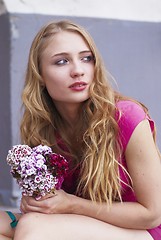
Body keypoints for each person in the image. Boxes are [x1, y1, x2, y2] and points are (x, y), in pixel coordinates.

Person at [0, 19, 161, 240]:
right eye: (61, 62)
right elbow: (54, 203)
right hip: (84, 222)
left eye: (86, 58)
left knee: (33, 228)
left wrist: (73, 204)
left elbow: (152, 214)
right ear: (40, 76)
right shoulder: (43, 128)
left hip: (142, 231)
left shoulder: (126, 117)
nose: (78, 70)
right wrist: (38, 203)